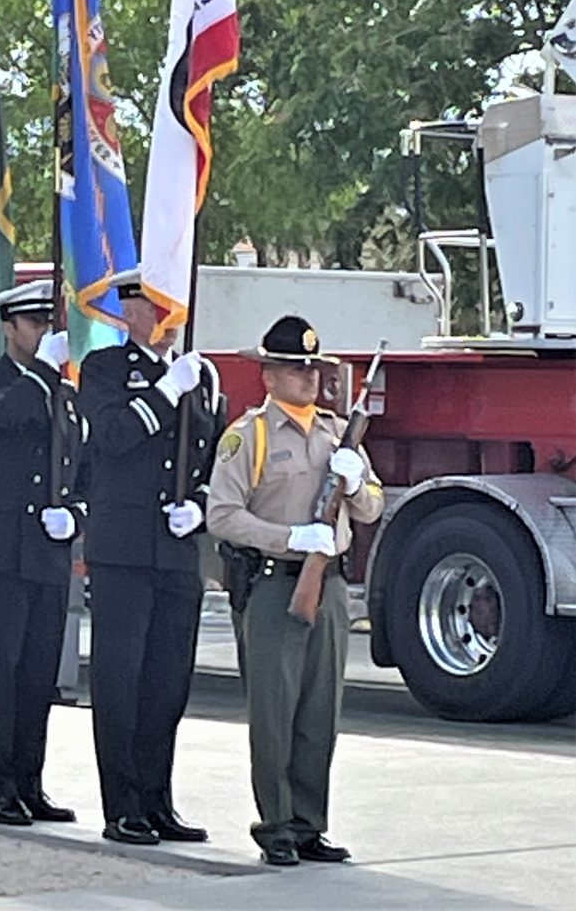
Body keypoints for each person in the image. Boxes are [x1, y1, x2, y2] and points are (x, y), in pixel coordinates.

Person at [206, 315, 384, 866]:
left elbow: (373, 506)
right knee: (274, 713)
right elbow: (222, 515)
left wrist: (355, 483)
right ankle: (276, 826)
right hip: (273, 586)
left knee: (318, 713)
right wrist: (288, 537)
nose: (309, 378)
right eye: (294, 369)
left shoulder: (336, 432)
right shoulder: (249, 435)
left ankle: (310, 825)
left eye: (312, 367)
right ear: (268, 375)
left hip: (326, 586)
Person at [78, 267, 223, 846]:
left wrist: (203, 505)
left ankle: (159, 799)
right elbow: (112, 437)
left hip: (175, 550)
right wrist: (165, 393)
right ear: (131, 310)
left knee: (167, 683)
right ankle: (124, 805)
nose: (168, 316)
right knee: (121, 681)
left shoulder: (199, 377)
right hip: (123, 548)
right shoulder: (106, 369)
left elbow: (210, 457)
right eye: (156, 304)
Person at [0, 279, 87, 827]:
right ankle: (0, 787)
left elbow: (85, 464)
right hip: (1, 553)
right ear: (9, 327)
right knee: (0, 672)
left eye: (46, 323)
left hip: (47, 553)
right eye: (33, 323)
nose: (42, 332)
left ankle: (31, 782)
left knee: (38, 676)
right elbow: (7, 414)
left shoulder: (64, 393)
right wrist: (44, 374)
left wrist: (76, 515)